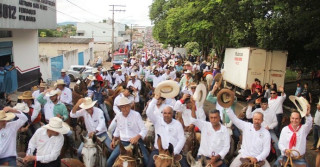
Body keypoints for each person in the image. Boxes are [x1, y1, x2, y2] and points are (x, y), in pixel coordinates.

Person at [146, 94, 186, 167]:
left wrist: (175, 151)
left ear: (172, 114)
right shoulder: (157, 120)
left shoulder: (177, 124)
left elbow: (182, 139)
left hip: (174, 152)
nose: (166, 115)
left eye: (169, 113)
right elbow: (148, 112)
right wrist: (155, 99)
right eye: (165, 113)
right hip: (158, 151)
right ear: (162, 114)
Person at [107, 97, 149, 167]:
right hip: (123, 143)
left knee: (146, 160)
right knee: (109, 162)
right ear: (120, 108)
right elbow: (118, 129)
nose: (124, 109)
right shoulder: (118, 116)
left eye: (126, 106)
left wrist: (137, 137)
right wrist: (114, 139)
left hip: (136, 142)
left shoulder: (136, 115)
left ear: (130, 106)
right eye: (122, 107)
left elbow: (144, 129)